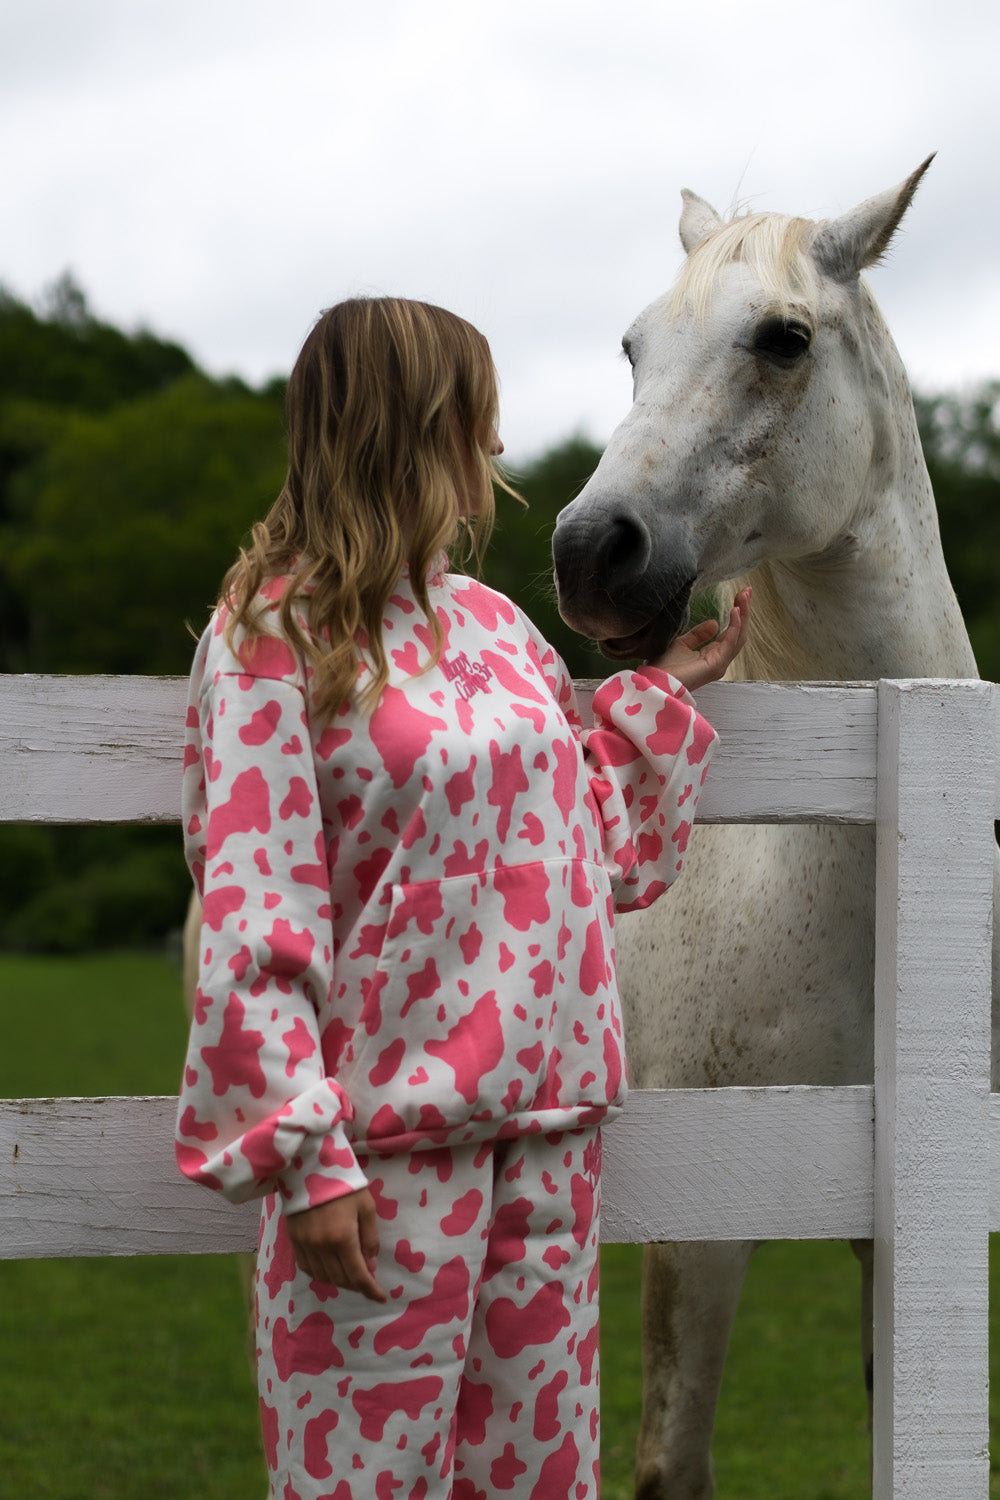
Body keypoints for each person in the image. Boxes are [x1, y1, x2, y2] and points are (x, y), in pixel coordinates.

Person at [175, 296, 750, 1500]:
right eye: (474, 420)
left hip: (551, 1139)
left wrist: (654, 700)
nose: (494, 452)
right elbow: (253, 902)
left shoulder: (493, 630)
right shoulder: (277, 634)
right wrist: (305, 1155)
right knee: (365, 1484)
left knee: (539, 1482)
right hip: (381, 1156)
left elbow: (585, 846)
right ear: (414, 425)